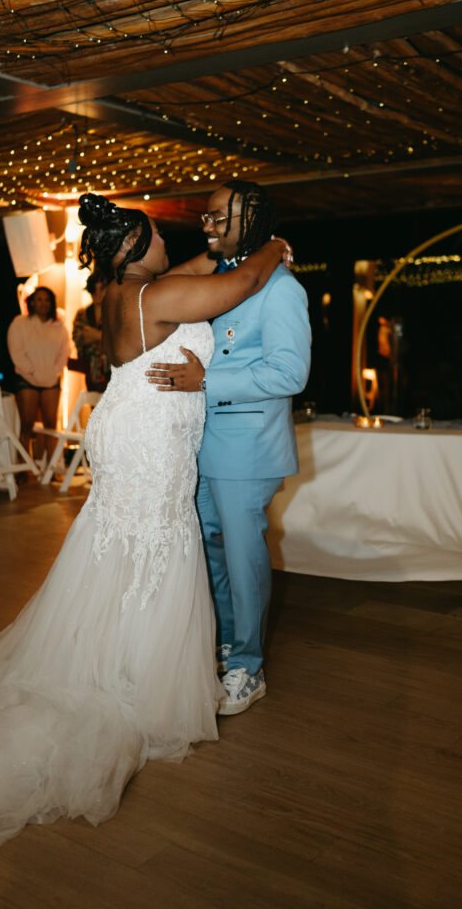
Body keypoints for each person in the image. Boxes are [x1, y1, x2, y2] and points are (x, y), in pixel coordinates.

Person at [0, 193, 290, 861]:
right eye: (159, 236)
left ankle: (121, 659)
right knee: (153, 539)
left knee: (128, 541)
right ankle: (131, 680)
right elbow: (239, 283)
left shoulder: (119, 289)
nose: (171, 242)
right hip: (149, 437)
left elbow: (206, 262)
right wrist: (275, 250)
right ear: (136, 250)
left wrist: (223, 246)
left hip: (133, 426)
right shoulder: (156, 299)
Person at [146, 180, 311, 716]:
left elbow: (291, 372)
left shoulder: (281, 288)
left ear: (252, 219)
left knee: (242, 556)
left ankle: (248, 666)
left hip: (247, 445)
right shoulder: (226, 280)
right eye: (207, 218)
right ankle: (224, 644)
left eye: (220, 217)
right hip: (203, 441)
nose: (209, 226)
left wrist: (206, 383)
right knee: (210, 547)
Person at [7, 286, 70, 461]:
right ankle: (22, 468)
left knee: (51, 425)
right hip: (27, 380)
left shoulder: (59, 328)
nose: (43, 303)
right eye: (39, 299)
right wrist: (32, 372)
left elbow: (64, 353)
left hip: (51, 380)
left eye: (47, 300)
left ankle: (52, 467)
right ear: (32, 302)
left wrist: (54, 372)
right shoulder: (19, 324)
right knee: (26, 425)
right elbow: (16, 352)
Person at [71, 269, 110, 392]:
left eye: (102, 288)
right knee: (95, 409)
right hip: (91, 372)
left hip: (114, 372)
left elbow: (122, 340)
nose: (97, 293)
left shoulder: (117, 312)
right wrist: (104, 337)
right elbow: (79, 339)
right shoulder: (83, 314)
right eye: (94, 289)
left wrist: (96, 335)